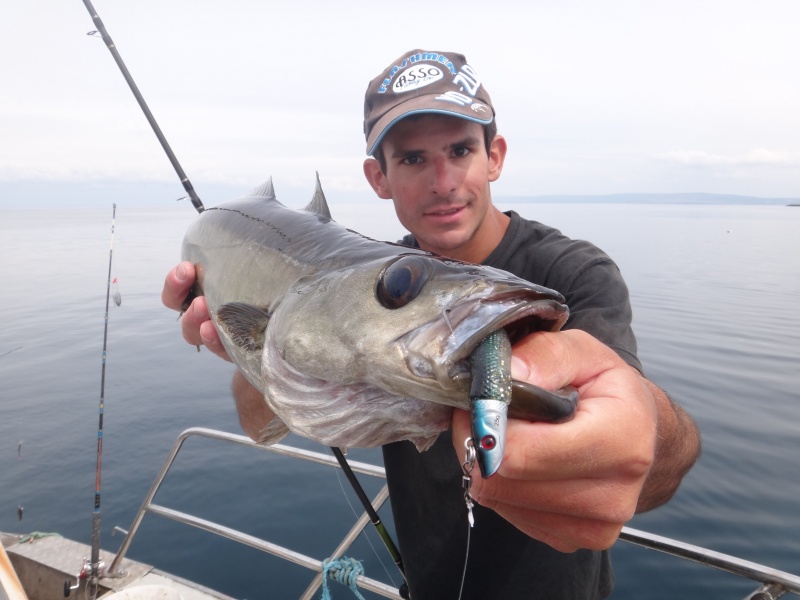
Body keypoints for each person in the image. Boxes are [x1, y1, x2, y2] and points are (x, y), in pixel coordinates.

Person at [162, 49, 700, 599]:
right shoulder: (367, 274)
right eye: (414, 159)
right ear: (379, 178)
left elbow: (656, 467)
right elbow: (263, 427)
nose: (443, 181)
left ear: (495, 156)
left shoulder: (574, 273)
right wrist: (246, 353)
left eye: (461, 150)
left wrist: (646, 437)